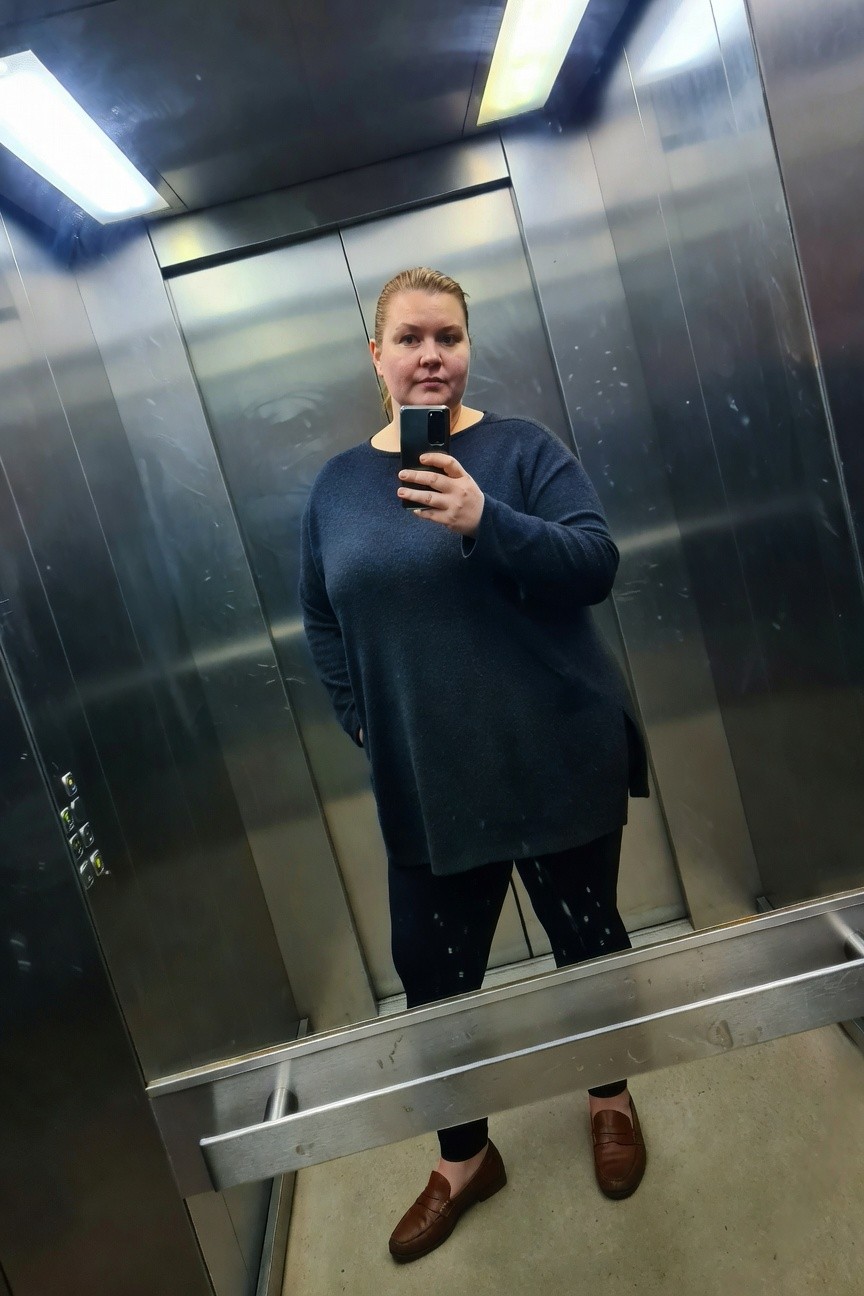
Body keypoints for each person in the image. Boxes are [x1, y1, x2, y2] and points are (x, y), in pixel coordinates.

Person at [299, 266, 649, 1264]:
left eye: (447, 338)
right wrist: (368, 722)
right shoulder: (334, 489)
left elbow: (595, 563)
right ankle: (463, 1159)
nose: (430, 357)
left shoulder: (523, 451)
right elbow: (322, 619)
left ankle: (610, 1097)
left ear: (467, 350)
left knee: (591, 945)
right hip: (429, 782)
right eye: (409, 338)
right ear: (376, 355)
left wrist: (485, 520)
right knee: (434, 977)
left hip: (555, 757)